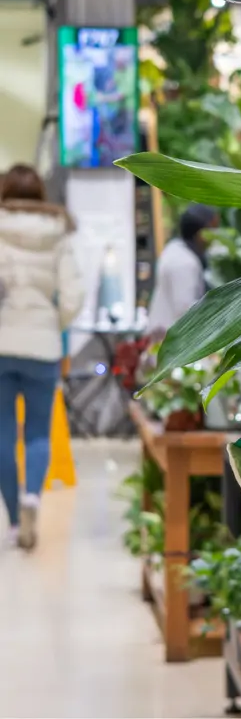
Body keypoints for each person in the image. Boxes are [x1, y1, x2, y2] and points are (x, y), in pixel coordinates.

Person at [0, 164, 85, 550]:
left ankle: (16, 521)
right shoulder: (58, 235)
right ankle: (33, 495)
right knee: (37, 431)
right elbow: (72, 295)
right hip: (42, 344)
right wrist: (56, 323)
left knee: (2, 434)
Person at [146, 204, 219, 342]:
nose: (217, 235)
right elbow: (184, 310)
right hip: (171, 341)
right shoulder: (184, 263)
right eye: (214, 229)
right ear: (202, 233)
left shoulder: (175, 250)